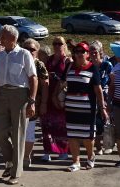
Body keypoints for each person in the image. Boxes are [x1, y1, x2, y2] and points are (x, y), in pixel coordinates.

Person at [0, 25, 37, 185]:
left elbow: (33, 78)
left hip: (20, 95)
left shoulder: (24, 54)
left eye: (3, 37)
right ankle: (10, 161)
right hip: (2, 94)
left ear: (13, 39)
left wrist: (32, 101)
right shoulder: (0, 56)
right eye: (0, 36)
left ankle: (15, 173)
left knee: (18, 134)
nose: (0, 39)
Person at [58, 41, 107, 171]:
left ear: (88, 55)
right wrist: (61, 87)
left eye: (82, 52)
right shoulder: (69, 66)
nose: (79, 54)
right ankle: (76, 162)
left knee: (87, 137)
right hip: (71, 107)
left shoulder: (93, 68)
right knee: (72, 135)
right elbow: (62, 83)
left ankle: (90, 157)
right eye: (77, 52)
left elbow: (98, 90)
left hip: (87, 108)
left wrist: (102, 108)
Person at [21, 38, 50, 168]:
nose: (30, 51)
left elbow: (45, 86)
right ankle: (19, 155)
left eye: (33, 49)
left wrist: (43, 103)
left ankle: (27, 156)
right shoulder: (18, 62)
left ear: (37, 51)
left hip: (33, 103)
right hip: (17, 101)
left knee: (30, 131)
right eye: (27, 49)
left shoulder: (39, 65)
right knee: (17, 130)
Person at [41, 37, 70, 162]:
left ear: (64, 45)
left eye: (60, 44)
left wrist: (58, 78)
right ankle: (47, 150)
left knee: (61, 125)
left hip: (59, 97)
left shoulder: (68, 60)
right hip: (47, 95)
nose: (57, 46)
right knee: (46, 124)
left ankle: (63, 151)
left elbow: (68, 79)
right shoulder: (50, 59)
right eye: (55, 44)